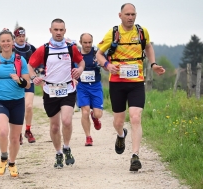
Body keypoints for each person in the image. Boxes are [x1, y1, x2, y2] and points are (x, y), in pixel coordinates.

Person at [96, 3, 166, 171]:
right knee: (118, 121)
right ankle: (121, 135)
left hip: (136, 82)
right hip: (117, 83)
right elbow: (98, 54)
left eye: (133, 14)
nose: (130, 17)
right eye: (127, 14)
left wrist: (153, 64)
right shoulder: (113, 33)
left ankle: (135, 156)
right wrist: (107, 64)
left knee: (135, 117)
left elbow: (148, 46)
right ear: (120, 15)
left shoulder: (142, 32)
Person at [28, 18, 85, 169]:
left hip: (68, 89)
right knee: (54, 127)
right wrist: (34, 77)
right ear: (50, 30)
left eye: (61, 30)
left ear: (65, 31)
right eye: (56, 30)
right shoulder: (44, 49)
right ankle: (58, 152)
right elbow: (30, 65)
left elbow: (81, 62)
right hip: (50, 90)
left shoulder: (71, 48)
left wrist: (79, 70)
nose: (58, 33)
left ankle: (66, 147)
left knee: (66, 121)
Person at [0, 29, 31, 177]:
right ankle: (4, 157)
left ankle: (12, 163)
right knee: (3, 131)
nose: (6, 43)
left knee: (15, 138)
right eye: (3, 41)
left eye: (8, 40)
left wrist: (19, 80)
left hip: (17, 102)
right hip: (0, 101)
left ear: (13, 42)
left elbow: (27, 84)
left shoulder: (19, 60)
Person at [77, 33, 103, 146]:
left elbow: (106, 63)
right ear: (80, 42)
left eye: (89, 42)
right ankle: (88, 137)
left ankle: (95, 117)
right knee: (85, 111)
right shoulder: (76, 54)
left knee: (98, 114)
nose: (88, 45)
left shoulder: (97, 52)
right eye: (85, 43)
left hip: (96, 86)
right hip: (82, 86)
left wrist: (102, 63)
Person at [13, 26, 36, 144]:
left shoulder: (31, 48)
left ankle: (28, 130)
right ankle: (18, 133)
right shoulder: (11, 49)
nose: (21, 39)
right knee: (18, 109)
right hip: (15, 83)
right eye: (19, 36)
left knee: (29, 106)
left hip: (28, 82)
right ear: (15, 37)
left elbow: (39, 60)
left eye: (23, 36)